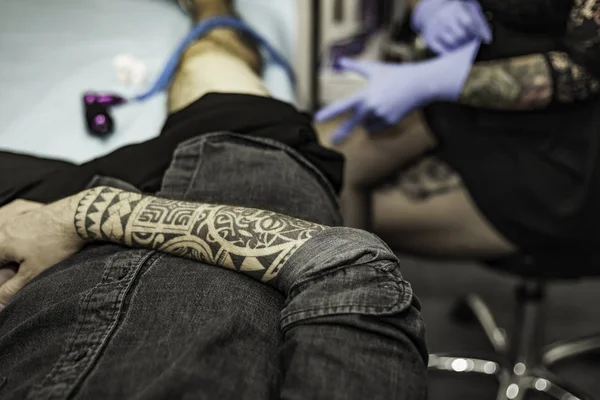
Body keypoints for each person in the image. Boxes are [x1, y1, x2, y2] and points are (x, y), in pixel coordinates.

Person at [0, 1, 428, 399]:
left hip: (53, 265)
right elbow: (351, 268)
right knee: (211, 60)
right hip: (234, 185)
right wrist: (87, 214)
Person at [317, 0, 600, 260]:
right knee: (310, 162)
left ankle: (354, 308)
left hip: (555, 153)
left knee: (325, 215)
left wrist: (431, 82)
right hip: (463, 105)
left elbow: (580, 74)